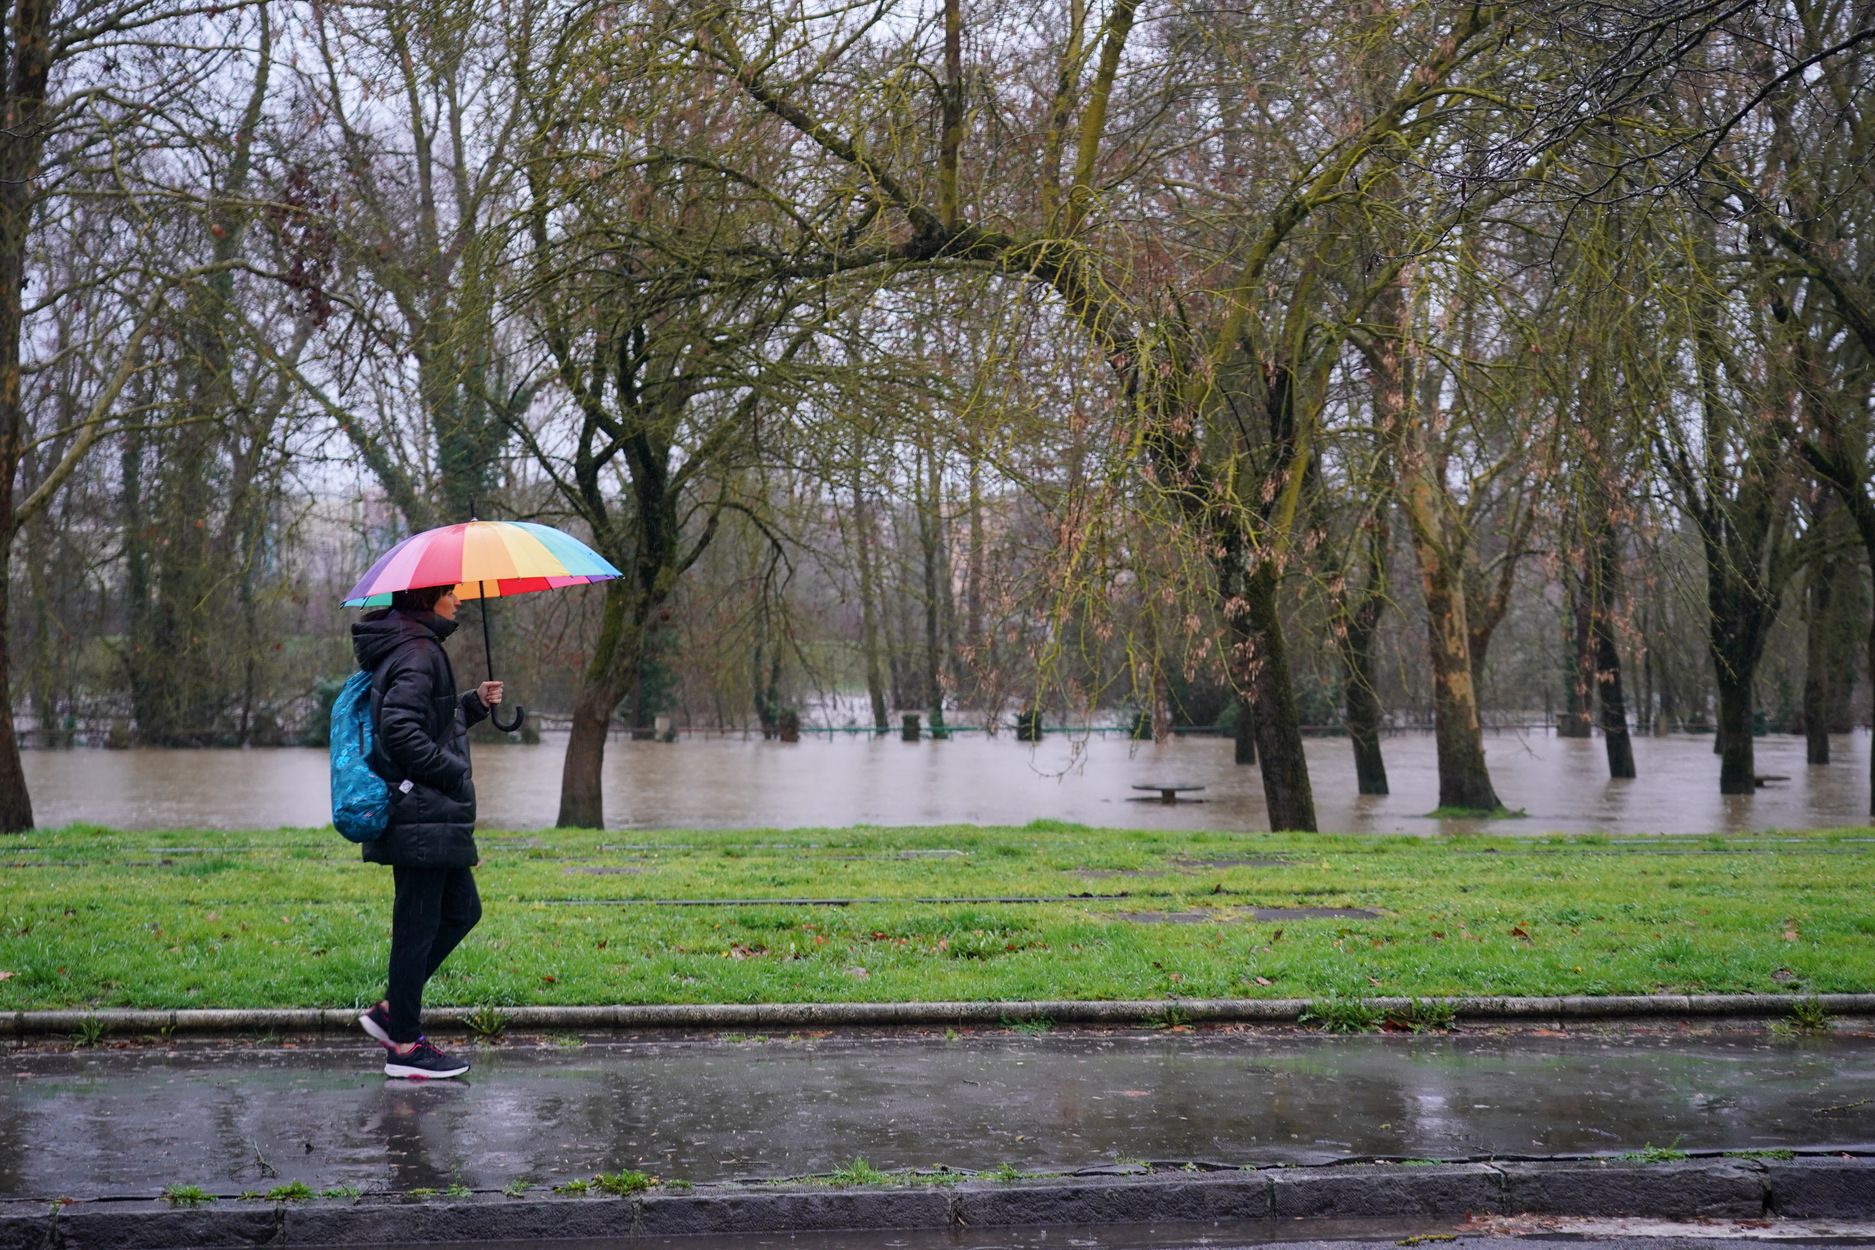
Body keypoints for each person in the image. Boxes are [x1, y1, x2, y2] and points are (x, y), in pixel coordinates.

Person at [348, 583, 503, 1079]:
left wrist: (473, 704)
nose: (458, 601)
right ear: (429, 597)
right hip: (420, 814)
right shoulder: (418, 651)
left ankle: (395, 1013)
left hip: (428, 816)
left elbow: (429, 718)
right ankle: (406, 1048)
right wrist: (450, 771)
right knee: (417, 929)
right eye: (451, 593)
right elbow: (400, 729)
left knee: (462, 910)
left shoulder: (415, 647)